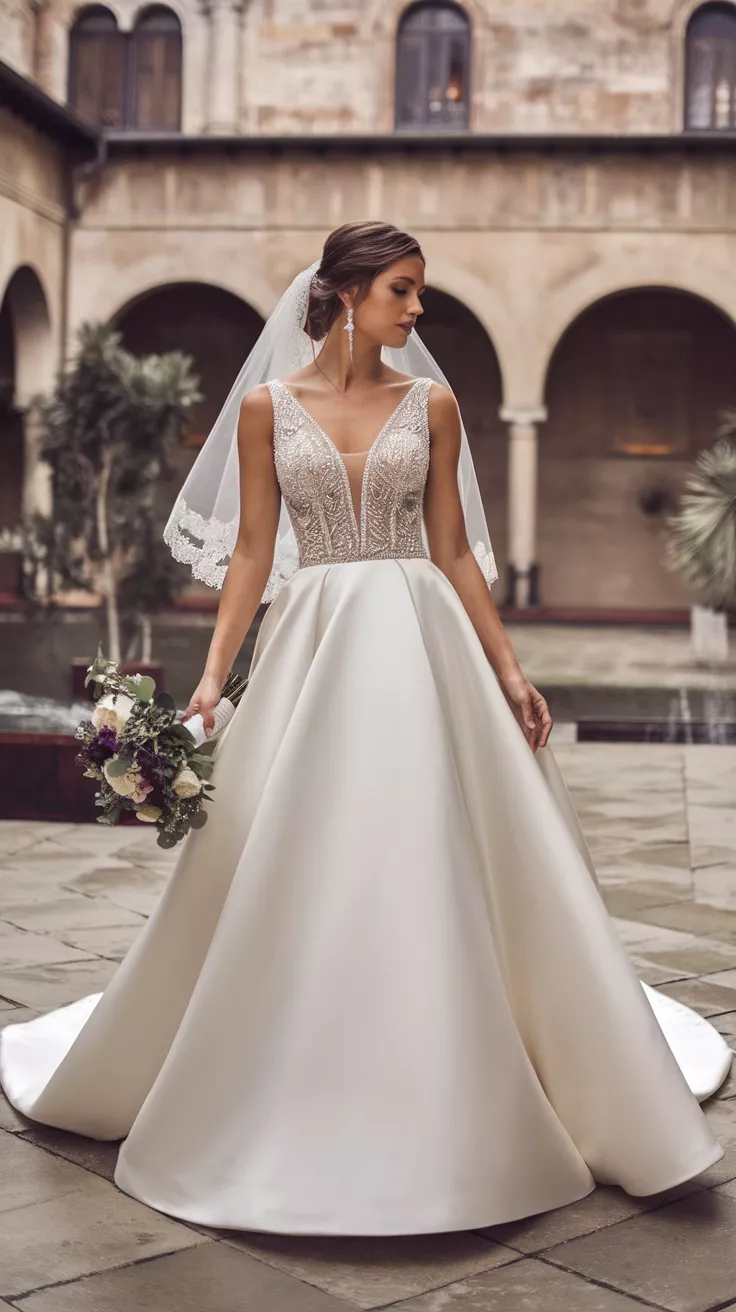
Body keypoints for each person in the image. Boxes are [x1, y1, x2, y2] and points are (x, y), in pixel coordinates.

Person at [0, 221, 731, 1238]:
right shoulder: (265, 408)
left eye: (418, 291)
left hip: (421, 639)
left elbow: (456, 551)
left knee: (433, 842)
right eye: (402, 289)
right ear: (345, 294)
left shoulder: (432, 403)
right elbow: (255, 554)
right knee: (292, 851)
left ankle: (468, 1061)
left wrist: (509, 668)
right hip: (311, 644)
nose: (417, 309)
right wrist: (212, 680)